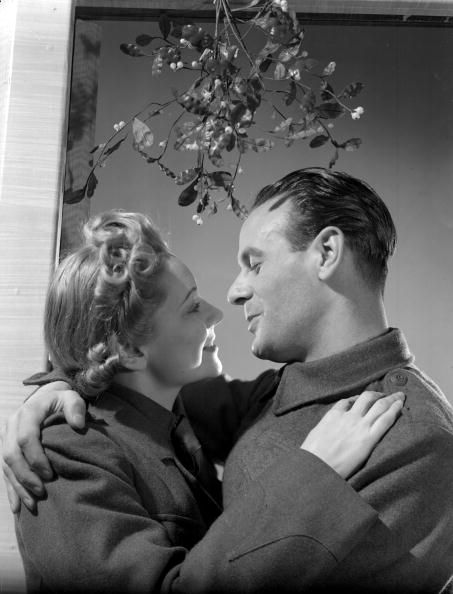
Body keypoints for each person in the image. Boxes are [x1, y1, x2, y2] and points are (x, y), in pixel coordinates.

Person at [4, 167, 453, 592]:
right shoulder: (266, 397)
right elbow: (119, 381)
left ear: (328, 253)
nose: (232, 295)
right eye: (192, 305)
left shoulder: (413, 436)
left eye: (254, 264)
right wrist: (62, 385)